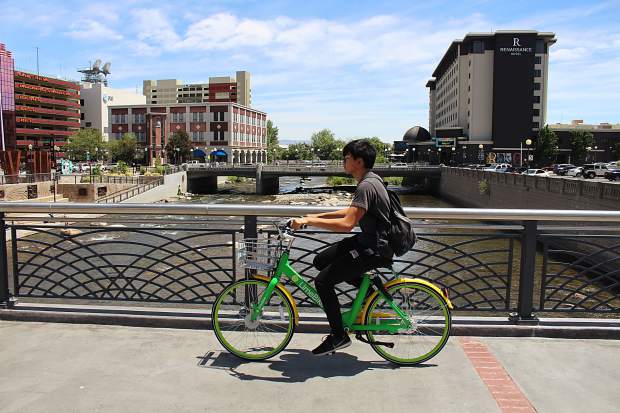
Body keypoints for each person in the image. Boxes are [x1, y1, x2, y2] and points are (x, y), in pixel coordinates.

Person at [291, 139, 393, 356]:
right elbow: (350, 212)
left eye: (346, 158)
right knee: (321, 261)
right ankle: (369, 292)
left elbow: (347, 225)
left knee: (322, 281)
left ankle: (339, 336)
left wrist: (309, 222)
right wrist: (313, 216)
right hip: (368, 241)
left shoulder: (367, 185)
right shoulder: (370, 180)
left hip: (374, 248)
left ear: (359, 161)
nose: (343, 161)